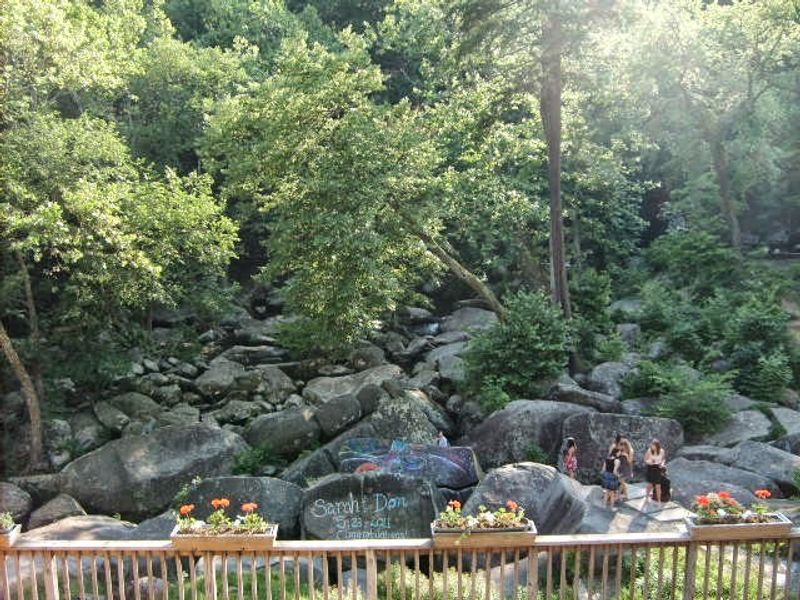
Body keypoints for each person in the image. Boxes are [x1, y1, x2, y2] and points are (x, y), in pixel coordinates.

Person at [644, 439, 666, 503]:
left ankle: (659, 500)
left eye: (653, 445)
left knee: (658, 485)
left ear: (657, 446)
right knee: (650, 484)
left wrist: (662, 464)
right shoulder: (649, 450)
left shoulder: (662, 451)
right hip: (651, 468)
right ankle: (647, 497)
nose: (652, 447)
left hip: (658, 468)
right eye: (652, 445)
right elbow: (645, 459)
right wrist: (649, 462)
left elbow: (663, 459)